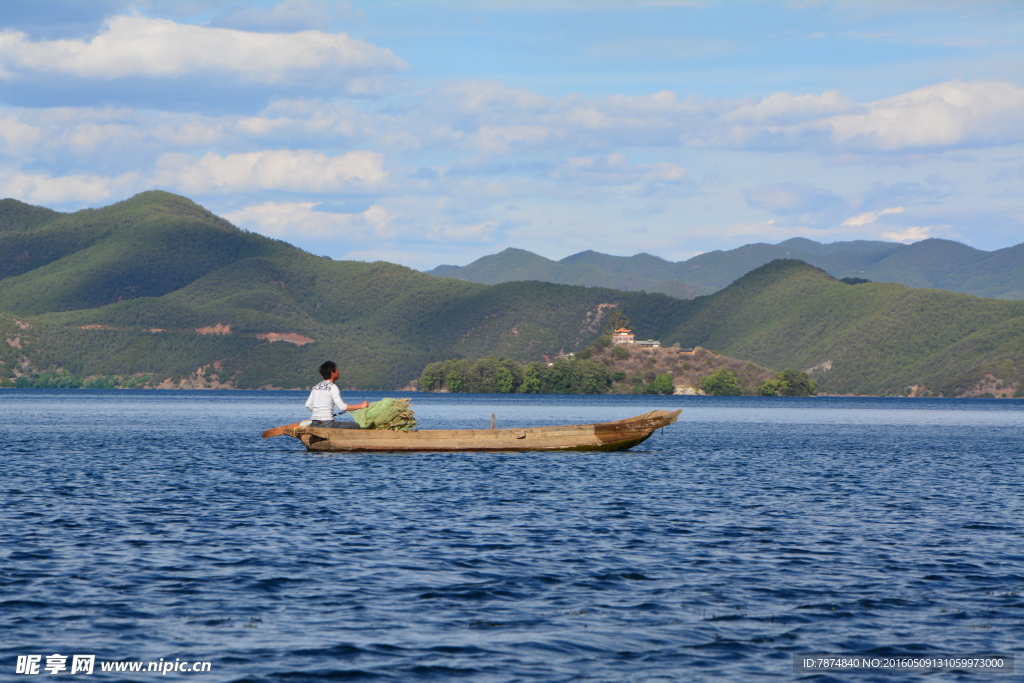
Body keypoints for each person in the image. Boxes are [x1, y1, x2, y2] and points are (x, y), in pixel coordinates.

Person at [305, 361, 369, 429]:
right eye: (337, 370)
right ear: (332, 373)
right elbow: (342, 407)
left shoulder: (316, 387)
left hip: (314, 423)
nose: (339, 372)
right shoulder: (333, 387)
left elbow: (308, 405)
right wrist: (361, 406)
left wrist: (320, 413)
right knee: (356, 426)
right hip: (327, 424)